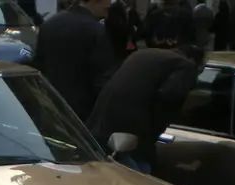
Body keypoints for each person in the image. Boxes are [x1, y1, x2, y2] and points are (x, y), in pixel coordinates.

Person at [86, 44, 205, 174]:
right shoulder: (185, 65)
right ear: (194, 61)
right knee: (139, 174)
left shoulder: (143, 54)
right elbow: (170, 98)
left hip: (101, 121)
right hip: (133, 131)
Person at [32, 0, 115, 121]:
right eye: (106, 7)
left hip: (52, 103)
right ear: (94, 2)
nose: (108, 10)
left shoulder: (50, 24)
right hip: (84, 110)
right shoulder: (97, 30)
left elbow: (39, 64)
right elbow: (101, 76)